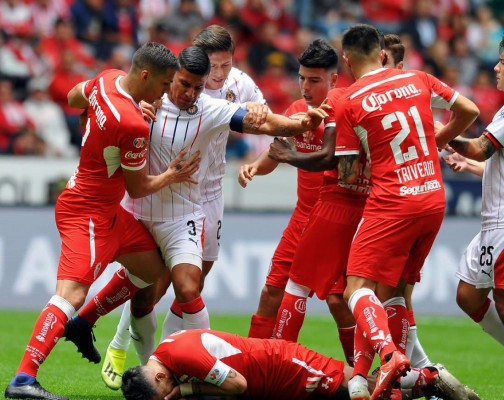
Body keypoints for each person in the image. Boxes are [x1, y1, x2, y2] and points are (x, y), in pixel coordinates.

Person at [74, 44, 328, 389]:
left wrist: (298, 126)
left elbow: (263, 121)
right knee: (144, 297)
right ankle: (150, 369)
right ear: (170, 77)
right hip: (138, 212)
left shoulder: (211, 109)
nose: (190, 93)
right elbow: (94, 105)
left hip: (183, 217)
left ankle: (209, 364)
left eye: (197, 86)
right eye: (183, 85)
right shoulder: (145, 102)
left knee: (188, 287)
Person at [4, 42, 201, 400]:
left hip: (106, 210)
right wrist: (172, 174)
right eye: (163, 84)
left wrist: (105, 114)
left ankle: (84, 323)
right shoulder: (132, 124)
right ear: (145, 76)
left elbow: (74, 96)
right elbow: (139, 187)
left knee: (151, 269)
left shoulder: (108, 79)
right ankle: (23, 379)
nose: (165, 92)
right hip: (88, 213)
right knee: (71, 293)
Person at [101, 25, 270, 390]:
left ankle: (173, 357)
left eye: (226, 65)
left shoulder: (239, 84)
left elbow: (262, 114)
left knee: (192, 284)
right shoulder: (170, 86)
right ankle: (126, 348)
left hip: (210, 193)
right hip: (166, 193)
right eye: (215, 66)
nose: (220, 74)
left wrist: (260, 112)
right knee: (154, 282)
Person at [334, 24, 479, 399]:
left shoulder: (350, 100)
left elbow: (349, 174)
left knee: (356, 287)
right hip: (432, 197)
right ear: (381, 54)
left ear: (347, 60)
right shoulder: (417, 78)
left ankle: (389, 356)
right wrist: (433, 143)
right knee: (395, 292)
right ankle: (395, 387)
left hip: (392, 201)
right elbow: (469, 110)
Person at [241, 38, 360, 365]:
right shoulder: (295, 112)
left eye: (314, 80)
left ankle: (357, 372)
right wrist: (255, 166)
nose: (305, 87)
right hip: (301, 218)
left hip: (336, 220)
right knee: (271, 293)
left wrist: (286, 154)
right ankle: (253, 364)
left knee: (338, 301)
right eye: (302, 78)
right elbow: (276, 152)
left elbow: (332, 160)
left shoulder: (346, 112)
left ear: (333, 79)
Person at [439, 31, 504, 400]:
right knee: (469, 296)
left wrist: (437, 132)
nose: (496, 68)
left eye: (503, 62)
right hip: (498, 221)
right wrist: (471, 164)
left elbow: (479, 147)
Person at [121, 328, 352, 400]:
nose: (166, 397)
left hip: (283, 367)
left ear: (159, 378)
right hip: (268, 386)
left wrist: (186, 390)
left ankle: (387, 374)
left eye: (161, 396)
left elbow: (239, 385)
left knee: (354, 388)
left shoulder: (183, 355)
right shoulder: (164, 359)